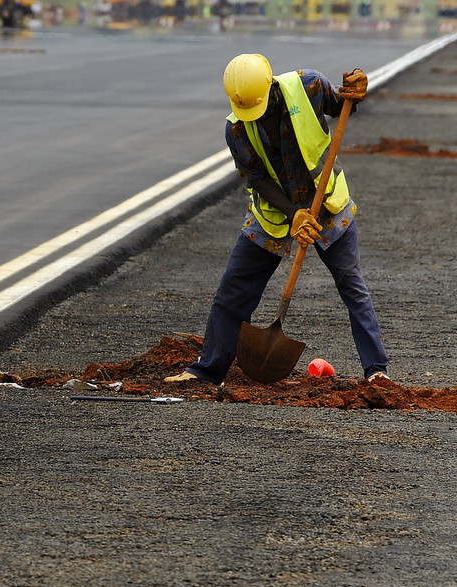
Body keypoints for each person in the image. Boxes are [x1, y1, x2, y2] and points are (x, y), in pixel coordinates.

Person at [166, 54, 389, 386]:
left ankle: (376, 370)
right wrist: (294, 213)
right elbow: (256, 178)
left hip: (327, 204)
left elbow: (343, 106)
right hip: (273, 215)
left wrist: (355, 91)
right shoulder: (237, 128)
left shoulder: (308, 85)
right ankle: (207, 370)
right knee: (233, 290)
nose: (258, 115)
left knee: (352, 286)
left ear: (271, 84)